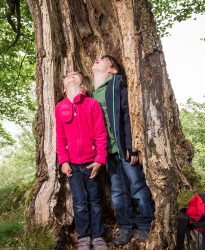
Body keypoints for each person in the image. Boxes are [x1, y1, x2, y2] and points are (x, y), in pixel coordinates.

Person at [92, 55, 154, 245]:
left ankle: (145, 224)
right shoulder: (93, 95)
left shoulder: (117, 88)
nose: (96, 59)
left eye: (102, 59)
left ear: (112, 70)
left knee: (137, 186)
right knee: (118, 191)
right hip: (108, 152)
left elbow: (129, 118)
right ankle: (126, 225)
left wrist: (131, 146)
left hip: (124, 149)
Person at [56, 71, 109, 250]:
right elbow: (60, 137)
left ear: (84, 87)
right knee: (79, 202)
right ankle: (84, 237)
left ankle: (98, 236)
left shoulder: (91, 104)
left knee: (94, 199)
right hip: (72, 165)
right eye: (67, 76)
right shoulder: (60, 107)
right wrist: (63, 161)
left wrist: (100, 159)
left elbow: (101, 133)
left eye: (75, 74)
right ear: (64, 89)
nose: (70, 75)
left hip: (91, 163)